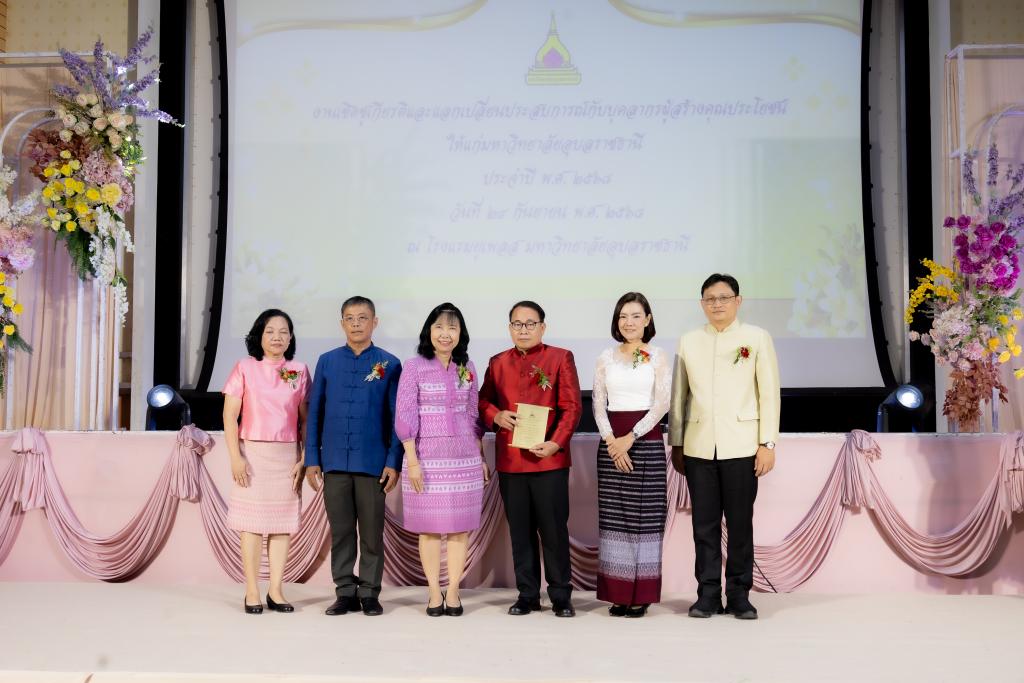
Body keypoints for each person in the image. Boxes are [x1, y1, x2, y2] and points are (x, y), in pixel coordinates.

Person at [668, 274, 780, 620]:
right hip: (698, 446)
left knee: (740, 524)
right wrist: (677, 443)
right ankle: (707, 595)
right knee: (703, 525)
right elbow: (679, 396)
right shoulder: (689, 341)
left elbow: (769, 393)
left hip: (743, 446)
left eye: (724, 297)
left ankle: (739, 594)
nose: (717, 304)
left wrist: (767, 442)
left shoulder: (756, 337)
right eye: (710, 298)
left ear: (738, 301)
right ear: (702, 303)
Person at [479, 300, 582, 617]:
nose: (523, 329)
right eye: (517, 324)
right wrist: (496, 416)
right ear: (509, 328)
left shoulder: (560, 357)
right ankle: (527, 595)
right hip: (511, 462)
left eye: (530, 323)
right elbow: (482, 401)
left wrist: (556, 443)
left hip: (549, 460)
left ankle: (561, 595)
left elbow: (572, 407)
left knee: (553, 530)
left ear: (542, 327)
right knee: (520, 533)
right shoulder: (498, 362)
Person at [304, 296, 403, 616]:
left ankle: (370, 592)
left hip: (373, 463)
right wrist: (312, 458)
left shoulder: (390, 363)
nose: (356, 323)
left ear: (375, 322)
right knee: (342, 531)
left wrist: (393, 461)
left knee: (372, 533)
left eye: (363, 318)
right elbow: (315, 412)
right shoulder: (327, 361)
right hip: (334, 461)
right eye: (350, 318)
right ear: (342, 323)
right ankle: (345, 591)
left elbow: (397, 418)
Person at [395, 303, 489, 616]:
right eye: (439, 327)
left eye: (452, 327)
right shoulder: (414, 366)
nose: (445, 334)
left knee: (460, 530)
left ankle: (454, 591)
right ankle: (434, 592)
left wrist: (480, 455)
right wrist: (412, 461)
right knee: (430, 530)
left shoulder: (468, 366)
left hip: (464, 460)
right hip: (425, 459)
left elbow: (474, 414)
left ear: (461, 333)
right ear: (429, 331)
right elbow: (405, 412)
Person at [222, 308, 309, 614]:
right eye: (270, 331)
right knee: (252, 525)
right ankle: (251, 590)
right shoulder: (245, 367)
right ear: (259, 335)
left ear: (291, 338)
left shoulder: (299, 370)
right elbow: (229, 417)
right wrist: (235, 458)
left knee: (281, 525)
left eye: (284, 332)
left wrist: (305, 457)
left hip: (287, 455)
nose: (277, 337)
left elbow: (305, 420)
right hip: (252, 454)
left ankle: (276, 590)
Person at [592, 292, 670, 618]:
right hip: (611, 445)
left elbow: (662, 403)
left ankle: (641, 594)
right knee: (615, 520)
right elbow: (598, 404)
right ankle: (618, 593)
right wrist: (611, 441)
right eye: (623, 316)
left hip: (645, 441)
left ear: (648, 320)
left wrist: (631, 437)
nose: (629, 322)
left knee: (645, 520)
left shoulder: (658, 356)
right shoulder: (605, 357)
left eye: (636, 315)